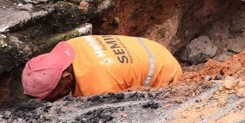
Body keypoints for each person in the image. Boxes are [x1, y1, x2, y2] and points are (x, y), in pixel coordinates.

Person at [21, 34, 181, 101]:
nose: (52, 101)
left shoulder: (99, 88)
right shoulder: (71, 46)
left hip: (166, 73)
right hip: (150, 46)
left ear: (67, 78)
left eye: (51, 96)